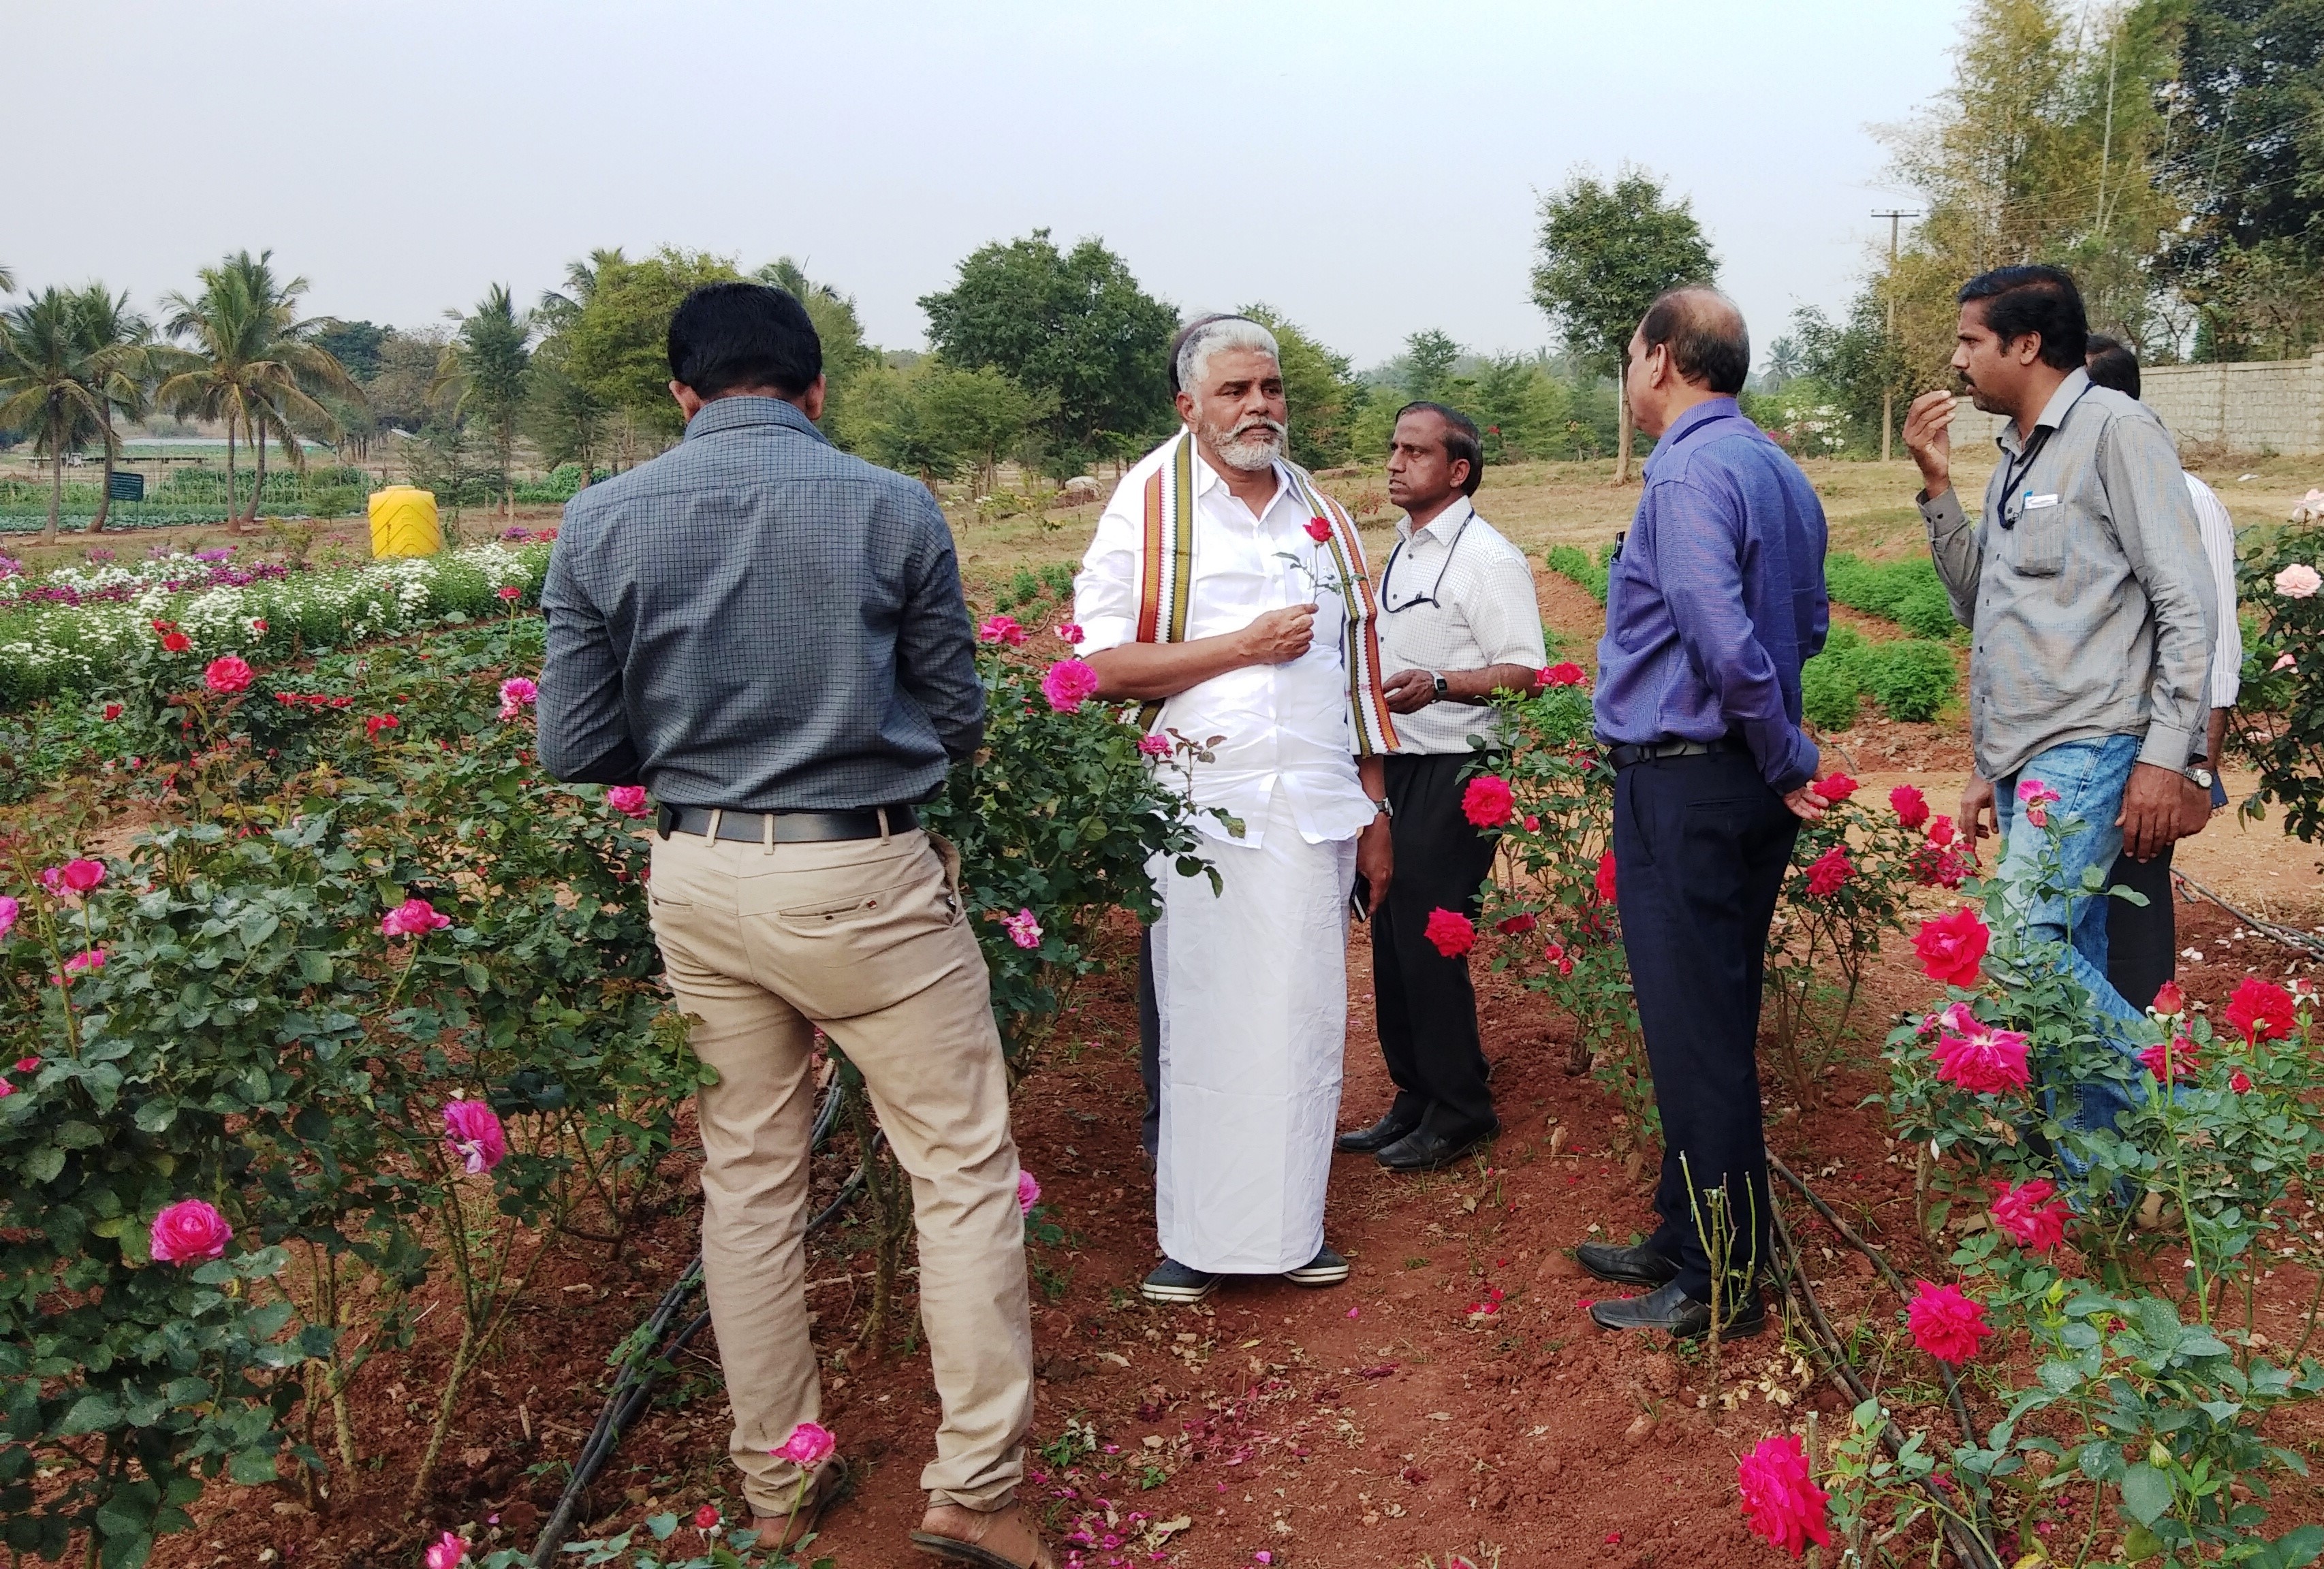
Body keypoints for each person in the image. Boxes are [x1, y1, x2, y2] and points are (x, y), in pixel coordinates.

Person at [537, 282, 1056, 1569]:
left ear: (682, 391)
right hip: (862, 872)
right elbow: (958, 712)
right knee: (958, 1173)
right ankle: (975, 1488)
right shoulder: (888, 503)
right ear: (816, 387)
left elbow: (573, 744)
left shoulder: (600, 517)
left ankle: (778, 1486)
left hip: (702, 879)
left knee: (749, 1182)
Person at [1073, 315, 1397, 1306]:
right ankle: (1199, 1238)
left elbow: (1358, 670)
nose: (1258, 407)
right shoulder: (1151, 504)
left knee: (1301, 1020)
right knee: (1208, 1021)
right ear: (1188, 406)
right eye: (1233, 392)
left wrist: (1375, 807)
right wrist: (1241, 647)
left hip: (1312, 811)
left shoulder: (1320, 513)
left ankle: (1288, 1230)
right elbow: (1098, 667)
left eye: (1271, 388)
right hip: (1202, 813)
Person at [1902, 266, 2215, 1132]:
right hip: (2026, 751)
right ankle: (2096, 1180)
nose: (1959, 362)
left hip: (2089, 742)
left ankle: (2198, 1114)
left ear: (2026, 344)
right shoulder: (2017, 453)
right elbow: (1983, 605)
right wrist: (1936, 483)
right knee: (2066, 955)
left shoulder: (2116, 433)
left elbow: (2188, 603)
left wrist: (2164, 758)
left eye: (1970, 341)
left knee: (2026, 954)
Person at [1579, 288, 1830, 1339]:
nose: (1626, 376)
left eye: (1630, 354)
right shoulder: (1777, 468)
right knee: (1705, 1020)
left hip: (1691, 779)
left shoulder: (1684, 469)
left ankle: (1720, 1280)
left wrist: (1779, 752)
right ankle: (1686, 1233)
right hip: (1728, 781)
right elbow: (1804, 629)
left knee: (1698, 1036)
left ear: (1666, 359)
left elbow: (1724, 639)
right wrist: (1772, 755)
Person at [1336, 401, 1546, 1171]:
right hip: (1396, 763)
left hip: (1455, 768)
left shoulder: (1488, 558)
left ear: (1457, 470)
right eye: (1392, 446)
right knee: (1389, 935)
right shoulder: (1401, 548)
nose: (1394, 462)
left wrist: (1443, 683)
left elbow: (1527, 671)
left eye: (1414, 451)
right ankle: (1414, 1095)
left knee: (1429, 936)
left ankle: (1460, 1108)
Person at [2081, 334, 2241, 1009]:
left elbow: (2213, 644)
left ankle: (2141, 1091)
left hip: (2154, 755)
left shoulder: (2184, 496)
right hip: (2093, 751)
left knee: (2134, 922)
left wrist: (2192, 771)